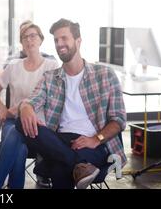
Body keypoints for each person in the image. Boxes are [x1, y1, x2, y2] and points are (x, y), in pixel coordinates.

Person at [18, 18, 126, 189]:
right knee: (20, 122)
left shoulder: (105, 75)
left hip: (94, 142)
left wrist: (95, 139)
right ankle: (79, 166)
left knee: (59, 168)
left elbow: (119, 119)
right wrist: (25, 107)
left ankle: (72, 162)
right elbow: (33, 99)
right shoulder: (50, 78)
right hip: (60, 140)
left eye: (64, 38)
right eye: (56, 40)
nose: (59, 44)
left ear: (78, 40)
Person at [0, 23, 58, 189]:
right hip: (13, 121)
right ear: (21, 42)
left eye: (33, 35)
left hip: (40, 123)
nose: (29, 40)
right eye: (25, 37)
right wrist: (3, 109)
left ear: (41, 39)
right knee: (17, 143)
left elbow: (53, 98)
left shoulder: (52, 66)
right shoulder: (14, 66)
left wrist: (20, 105)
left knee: (17, 144)